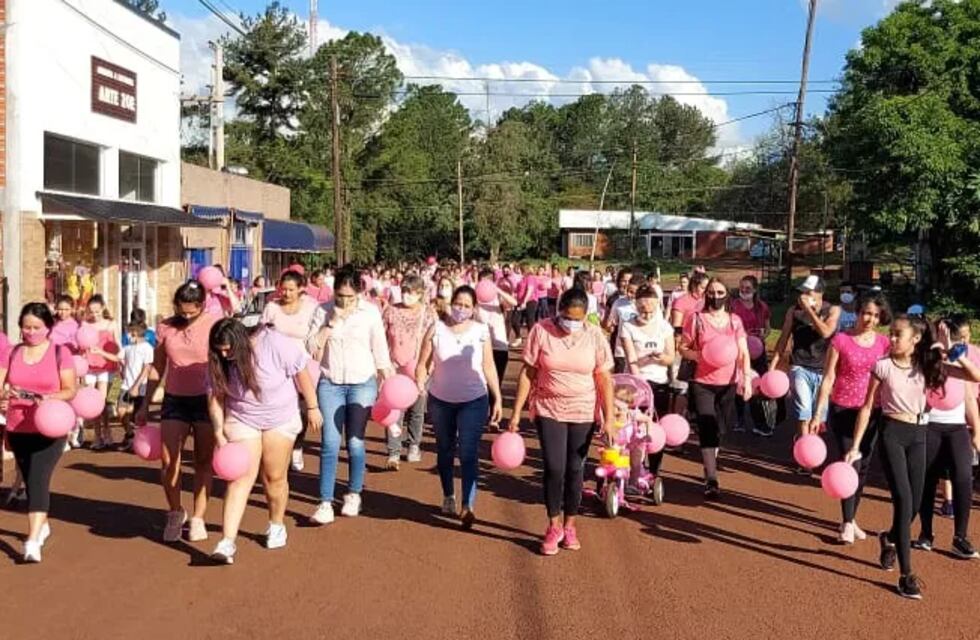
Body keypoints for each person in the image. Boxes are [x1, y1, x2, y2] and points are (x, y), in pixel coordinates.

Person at [846, 314, 946, 600]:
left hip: (920, 434)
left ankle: (889, 538)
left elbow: (970, 376)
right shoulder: (883, 366)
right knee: (903, 501)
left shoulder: (926, 365)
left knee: (914, 505)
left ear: (915, 339)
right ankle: (907, 575)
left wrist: (943, 347)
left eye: (897, 334)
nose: (890, 338)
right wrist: (856, 446)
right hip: (892, 433)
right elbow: (867, 408)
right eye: (890, 333)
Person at [508, 288, 615, 555]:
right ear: (559, 311)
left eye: (578, 319)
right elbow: (529, 372)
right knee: (555, 468)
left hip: (583, 410)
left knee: (576, 469)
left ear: (586, 315)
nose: (572, 324)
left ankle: (570, 524)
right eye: (568, 317)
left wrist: (609, 418)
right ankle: (553, 524)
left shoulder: (594, 336)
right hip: (548, 408)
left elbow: (604, 379)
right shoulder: (541, 331)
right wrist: (516, 413)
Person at [206, 320, 322, 564]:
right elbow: (216, 397)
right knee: (239, 479)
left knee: (274, 477)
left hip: (280, 416)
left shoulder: (274, 343)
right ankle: (227, 543)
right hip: (242, 417)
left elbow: (302, 373)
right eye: (220, 350)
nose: (224, 355)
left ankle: (276, 523)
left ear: (240, 342)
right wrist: (218, 431)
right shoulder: (218, 361)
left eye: (228, 349)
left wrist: (312, 407)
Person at [307, 267, 393, 524]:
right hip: (330, 383)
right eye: (340, 296)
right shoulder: (322, 310)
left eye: (350, 297)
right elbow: (311, 347)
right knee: (330, 443)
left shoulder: (370, 313)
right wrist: (329, 324)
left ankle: (354, 493)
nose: (344, 301)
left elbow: (380, 350)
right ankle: (325, 501)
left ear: (360, 293)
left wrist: (387, 381)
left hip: (362, 383)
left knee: (355, 441)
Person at [136, 281, 220, 543]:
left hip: (206, 400)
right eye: (181, 312)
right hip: (175, 400)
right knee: (169, 460)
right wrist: (145, 403)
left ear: (202, 306)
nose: (185, 317)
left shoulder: (214, 324)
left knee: (203, 461)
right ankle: (175, 512)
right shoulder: (165, 328)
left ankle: (198, 517)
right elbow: (157, 367)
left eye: (191, 313)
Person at [416, 286, 502, 529]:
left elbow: (488, 366)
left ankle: (468, 505)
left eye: (466, 305)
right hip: (440, 400)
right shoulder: (436, 329)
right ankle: (448, 496)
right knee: (445, 450)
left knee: (468, 451)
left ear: (474, 309)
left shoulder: (480, 331)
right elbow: (422, 363)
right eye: (458, 303)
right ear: (450, 303)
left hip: (474, 400)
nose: (461, 309)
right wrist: (420, 381)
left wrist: (497, 397)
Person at [810, 292, 892, 543]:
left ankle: (852, 517)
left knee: (864, 465)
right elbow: (828, 378)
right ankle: (846, 522)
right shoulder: (841, 340)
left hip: (872, 411)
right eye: (866, 313)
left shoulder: (884, 344)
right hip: (843, 408)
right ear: (857, 312)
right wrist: (818, 413)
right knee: (850, 462)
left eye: (876, 315)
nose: (870, 319)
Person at [0, 303, 77, 562]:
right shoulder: (13, 353)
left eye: (36, 327)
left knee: (39, 478)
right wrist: (4, 397)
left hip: (50, 426)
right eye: (26, 327)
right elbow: (2, 385)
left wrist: (48, 397)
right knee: (28, 475)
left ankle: (32, 541)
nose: (31, 332)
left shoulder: (60, 353)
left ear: (48, 327)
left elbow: (70, 389)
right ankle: (41, 523)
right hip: (18, 425)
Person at [678, 278, 753, 499]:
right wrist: (699, 356)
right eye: (711, 292)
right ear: (705, 294)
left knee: (720, 428)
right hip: (702, 382)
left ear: (727, 295)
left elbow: (743, 352)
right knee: (707, 424)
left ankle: (709, 462)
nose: (715, 296)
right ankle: (711, 477)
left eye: (720, 292)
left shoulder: (734, 321)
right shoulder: (696, 319)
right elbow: (683, 347)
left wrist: (746, 379)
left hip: (728, 383)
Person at [912, 315, 979, 560]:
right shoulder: (927, 360)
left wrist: (977, 432)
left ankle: (960, 537)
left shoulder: (958, 362)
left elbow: (972, 384)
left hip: (957, 428)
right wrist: (938, 350)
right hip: (930, 427)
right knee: (927, 480)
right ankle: (926, 534)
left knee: (963, 477)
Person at [260, 270, 320, 472]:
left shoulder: (311, 308)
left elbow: (317, 336)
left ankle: (297, 446)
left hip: (302, 364)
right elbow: (262, 333)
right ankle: (275, 451)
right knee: (279, 407)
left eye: (291, 290)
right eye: (283, 289)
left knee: (301, 410)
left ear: (301, 289)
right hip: (276, 366)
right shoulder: (271, 308)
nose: (286, 293)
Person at [770, 275, 841, 441]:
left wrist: (809, 311)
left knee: (818, 418)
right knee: (804, 412)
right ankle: (805, 459)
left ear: (820, 293)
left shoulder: (832, 310)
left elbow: (825, 332)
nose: (804, 296)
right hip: (799, 366)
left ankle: (806, 442)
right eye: (803, 292)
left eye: (809, 292)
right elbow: (783, 339)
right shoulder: (793, 311)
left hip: (823, 370)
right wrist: (773, 366)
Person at [619, 284, 675, 485]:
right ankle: (632, 472)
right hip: (634, 384)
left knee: (654, 428)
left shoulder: (664, 327)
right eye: (643, 310)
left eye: (651, 310)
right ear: (637, 306)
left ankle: (655, 471)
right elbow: (630, 357)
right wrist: (638, 382)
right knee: (634, 428)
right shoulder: (628, 326)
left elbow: (671, 357)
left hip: (659, 382)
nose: (647, 314)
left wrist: (659, 358)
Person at [382, 275, 436, 470]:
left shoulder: (429, 314)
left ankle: (414, 445)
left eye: (411, 292)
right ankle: (394, 452)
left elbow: (434, 342)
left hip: (420, 370)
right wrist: (384, 365)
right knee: (394, 411)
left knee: (417, 411)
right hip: (395, 368)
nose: (407, 296)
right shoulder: (390, 311)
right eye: (404, 291)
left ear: (420, 294)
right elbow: (381, 339)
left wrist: (429, 368)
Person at [729, 275, 772, 435]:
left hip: (758, 352)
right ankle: (740, 420)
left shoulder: (762, 307)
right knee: (740, 384)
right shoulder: (733, 306)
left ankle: (760, 422)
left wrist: (763, 334)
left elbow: (768, 328)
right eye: (742, 287)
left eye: (748, 288)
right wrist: (742, 336)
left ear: (755, 289)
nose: (744, 290)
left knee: (759, 386)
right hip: (739, 351)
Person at [80, 295, 119, 450]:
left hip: (105, 366)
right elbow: (81, 344)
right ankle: (97, 436)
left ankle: (107, 431)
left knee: (102, 402)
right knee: (92, 403)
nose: (94, 315)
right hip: (89, 366)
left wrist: (119, 362)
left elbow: (118, 346)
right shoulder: (84, 324)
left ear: (102, 308)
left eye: (97, 311)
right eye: (91, 312)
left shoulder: (111, 324)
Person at [475, 268, 518, 399]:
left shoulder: (497, 298)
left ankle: (494, 414)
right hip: (480, 345)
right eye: (483, 281)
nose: (486, 285)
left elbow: (514, 303)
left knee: (496, 381)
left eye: (489, 281)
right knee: (481, 381)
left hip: (499, 345)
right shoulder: (474, 299)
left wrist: (498, 290)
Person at [669, 271, 707, 414]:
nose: (705, 291)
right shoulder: (682, 301)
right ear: (695, 286)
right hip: (684, 347)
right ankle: (677, 416)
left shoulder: (706, 302)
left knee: (699, 384)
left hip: (702, 349)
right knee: (681, 385)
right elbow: (677, 326)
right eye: (703, 287)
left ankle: (695, 415)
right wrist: (679, 349)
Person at [116, 322, 155, 452]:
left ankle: (141, 443)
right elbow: (117, 358)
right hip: (125, 385)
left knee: (140, 417)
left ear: (135, 333)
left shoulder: (147, 348)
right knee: (120, 412)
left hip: (140, 388)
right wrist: (99, 352)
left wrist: (136, 386)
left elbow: (146, 369)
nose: (127, 335)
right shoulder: (127, 348)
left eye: (129, 332)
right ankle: (129, 434)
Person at [603, 279, 638, 374]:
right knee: (621, 380)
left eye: (633, 292)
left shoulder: (645, 304)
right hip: (621, 350)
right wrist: (610, 326)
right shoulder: (619, 303)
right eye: (628, 291)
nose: (629, 294)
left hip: (638, 350)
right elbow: (609, 324)